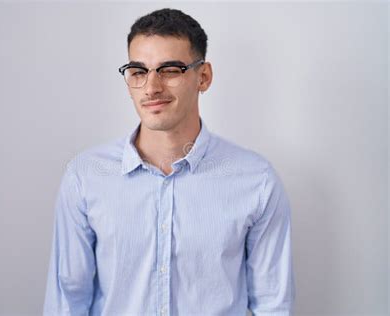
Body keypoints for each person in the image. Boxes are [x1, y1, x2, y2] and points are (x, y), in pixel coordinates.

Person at [43, 8, 295, 316]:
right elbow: (67, 303)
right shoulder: (85, 177)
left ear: (203, 77)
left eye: (170, 70)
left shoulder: (256, 181)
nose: (151, 88)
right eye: (138, 72)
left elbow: (273, 306)